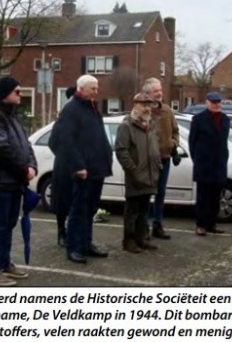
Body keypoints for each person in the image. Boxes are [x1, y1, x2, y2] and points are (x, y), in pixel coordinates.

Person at [0, 76, 37, 286]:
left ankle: (4, 263)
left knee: (9, 224)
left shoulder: (14, 117)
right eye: (17, 92)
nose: (20, 95)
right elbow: (1, 151)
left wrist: (32, 165)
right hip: (0, 182)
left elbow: (26, 146)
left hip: (14, 182)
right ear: (5, 94)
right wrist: (23, 171)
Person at [53, 75, 113, 264]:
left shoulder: (93, 108)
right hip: (83, 170)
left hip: (97, 168)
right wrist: (78, 165)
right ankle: (74, 247)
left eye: (96, 88)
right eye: (92, 89)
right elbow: (67, 140)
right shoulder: (71, 110)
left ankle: (86, 243)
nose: (96, 92)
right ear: (81, 89)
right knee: (78, 210)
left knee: (90, 209)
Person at [115, 93, 162, 253]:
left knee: (144, 210)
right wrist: (133, 170)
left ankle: (142, 238)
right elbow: (122, 151)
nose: (147, 108)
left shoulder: (151, 125)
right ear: (135, 105)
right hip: (135, 175)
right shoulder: (126, 126)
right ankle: (129, 241)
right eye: (143, 105)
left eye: (149, 105)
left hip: (150, 175)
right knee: (132, 211)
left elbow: (155, 148)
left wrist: (157, 167)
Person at [188, 92, 230, 236]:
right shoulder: (198, 119)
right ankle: (201, 224)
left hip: (219, 164)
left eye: (218, 102)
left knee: (215, 197)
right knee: (203, 197)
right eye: (213, 102)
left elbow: (224, 141)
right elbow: (192, 143)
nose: (216, 104)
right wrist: (198, 160)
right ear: (207, 103)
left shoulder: (225, 119)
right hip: (204, 165)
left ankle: (212, 223)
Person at [145, 77, 179, 240]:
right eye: (156, 91)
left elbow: (175, 130)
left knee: (161, 193)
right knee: (146, 193)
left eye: (160, 90)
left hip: (165, 158)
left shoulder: (167, 110)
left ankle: (157, 225)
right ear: (148, 93)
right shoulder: (144, 111)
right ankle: (143, 226)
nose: (159, 93)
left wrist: (173, 143)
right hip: (148, 160)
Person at [49, 85, 76, 248]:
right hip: (65, 166)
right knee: (62, 201)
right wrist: (64, 155)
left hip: (82, 166)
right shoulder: (64, 118)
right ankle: (61, 232)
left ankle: (76, 233)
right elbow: (53, 141)